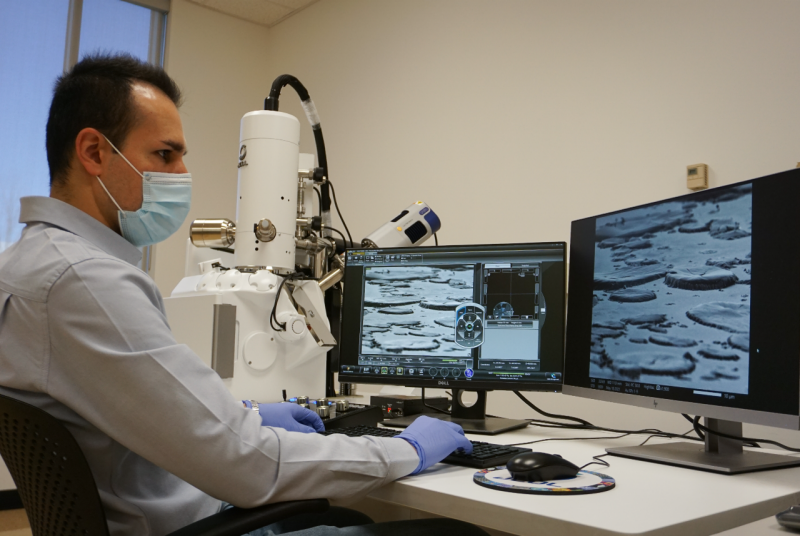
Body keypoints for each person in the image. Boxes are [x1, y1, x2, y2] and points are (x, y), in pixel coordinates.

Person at [0, 54, 487, 536]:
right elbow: (250, 466)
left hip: (154, 503)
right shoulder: (88, 281)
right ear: (94, 152)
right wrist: (409, 449)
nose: (182, 173)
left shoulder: (22, 265)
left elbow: (123, 406)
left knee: (347, 518)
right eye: (165, 155)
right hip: (187, 521)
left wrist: (246, 414)